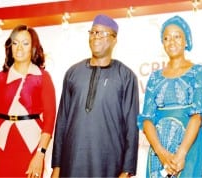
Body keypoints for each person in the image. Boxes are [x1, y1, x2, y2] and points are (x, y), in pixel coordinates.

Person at [50, 14, 139, 177]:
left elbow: (131, 128)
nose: (95, 36)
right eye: (93, 32)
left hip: (109, 165)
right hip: (72, 163)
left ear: (114, 39)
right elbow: (62, 121)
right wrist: (56, 165)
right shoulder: (73, 73)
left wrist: (126, 171)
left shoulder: (126, 76)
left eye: (102, 33)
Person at [0, 25, 57, 178]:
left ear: (33, 48)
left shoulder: (43, 77)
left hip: (31, 148)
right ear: (10, 46)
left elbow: (49, 122)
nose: (19, 47)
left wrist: (40, 155)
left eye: (25, 43)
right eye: (15, 42)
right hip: (0, 148)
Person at [137, 15, 202, 178]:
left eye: (177, 36)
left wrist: (181, 154)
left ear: (186, 40)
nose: (172, 41)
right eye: (166, 38)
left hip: (188, 146)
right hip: (158, 149)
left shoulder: (199, 72)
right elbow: (147, 119)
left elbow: (198, 115)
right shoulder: (154, 77)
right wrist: (161, 153)